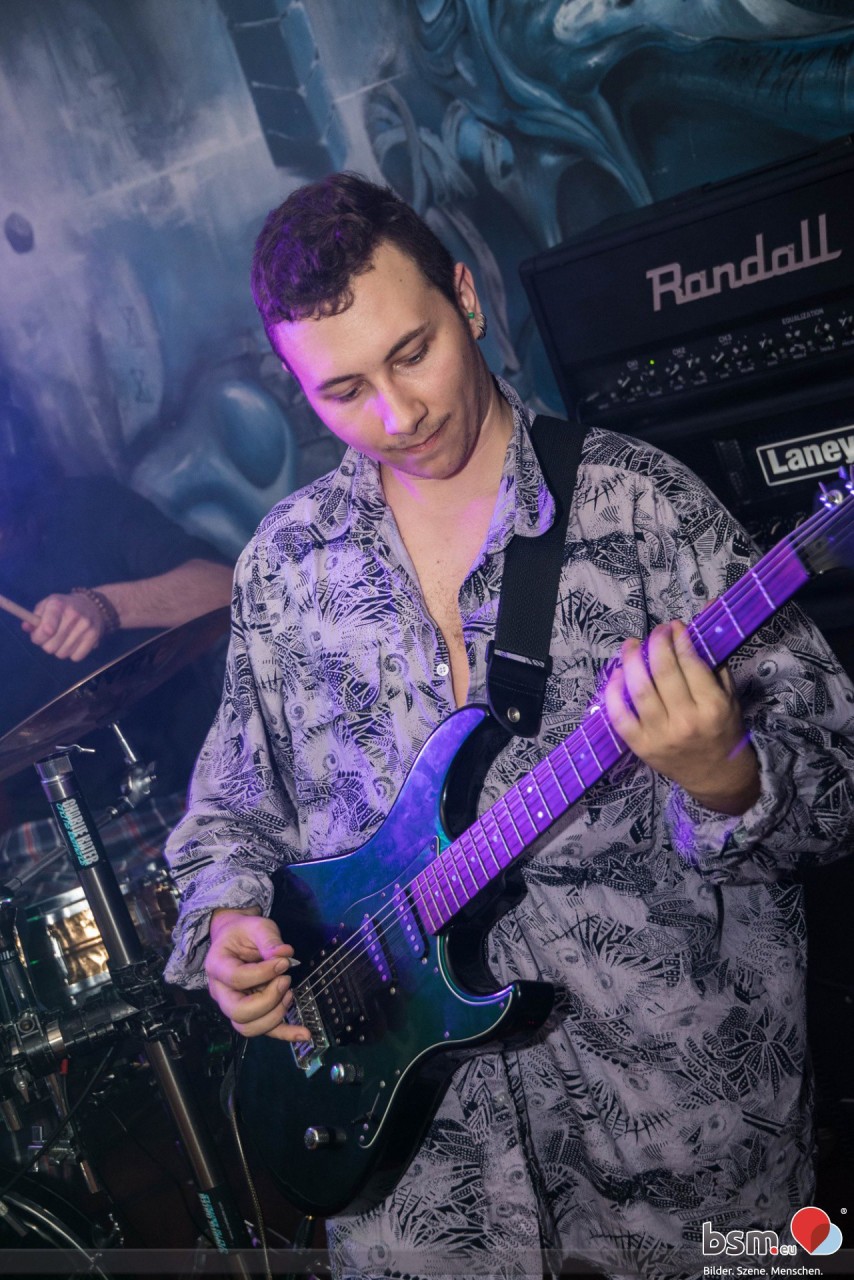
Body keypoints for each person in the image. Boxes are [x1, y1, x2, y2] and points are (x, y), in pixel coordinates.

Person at [163, 173, 854, 1280]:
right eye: (344, 390)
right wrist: (224, 920)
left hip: (685, 1152)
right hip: (425, 1191)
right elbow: (228, 815)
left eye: (413, 352)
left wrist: (726, 776)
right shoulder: (284, 569)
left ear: (467, 298)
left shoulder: (641, 509)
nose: (398, 415)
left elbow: (838, 783)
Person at [0, 444, 233, 902]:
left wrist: (106, 607)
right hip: (55, 840)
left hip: (201, 790)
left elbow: (226, 587)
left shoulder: (84, 506)